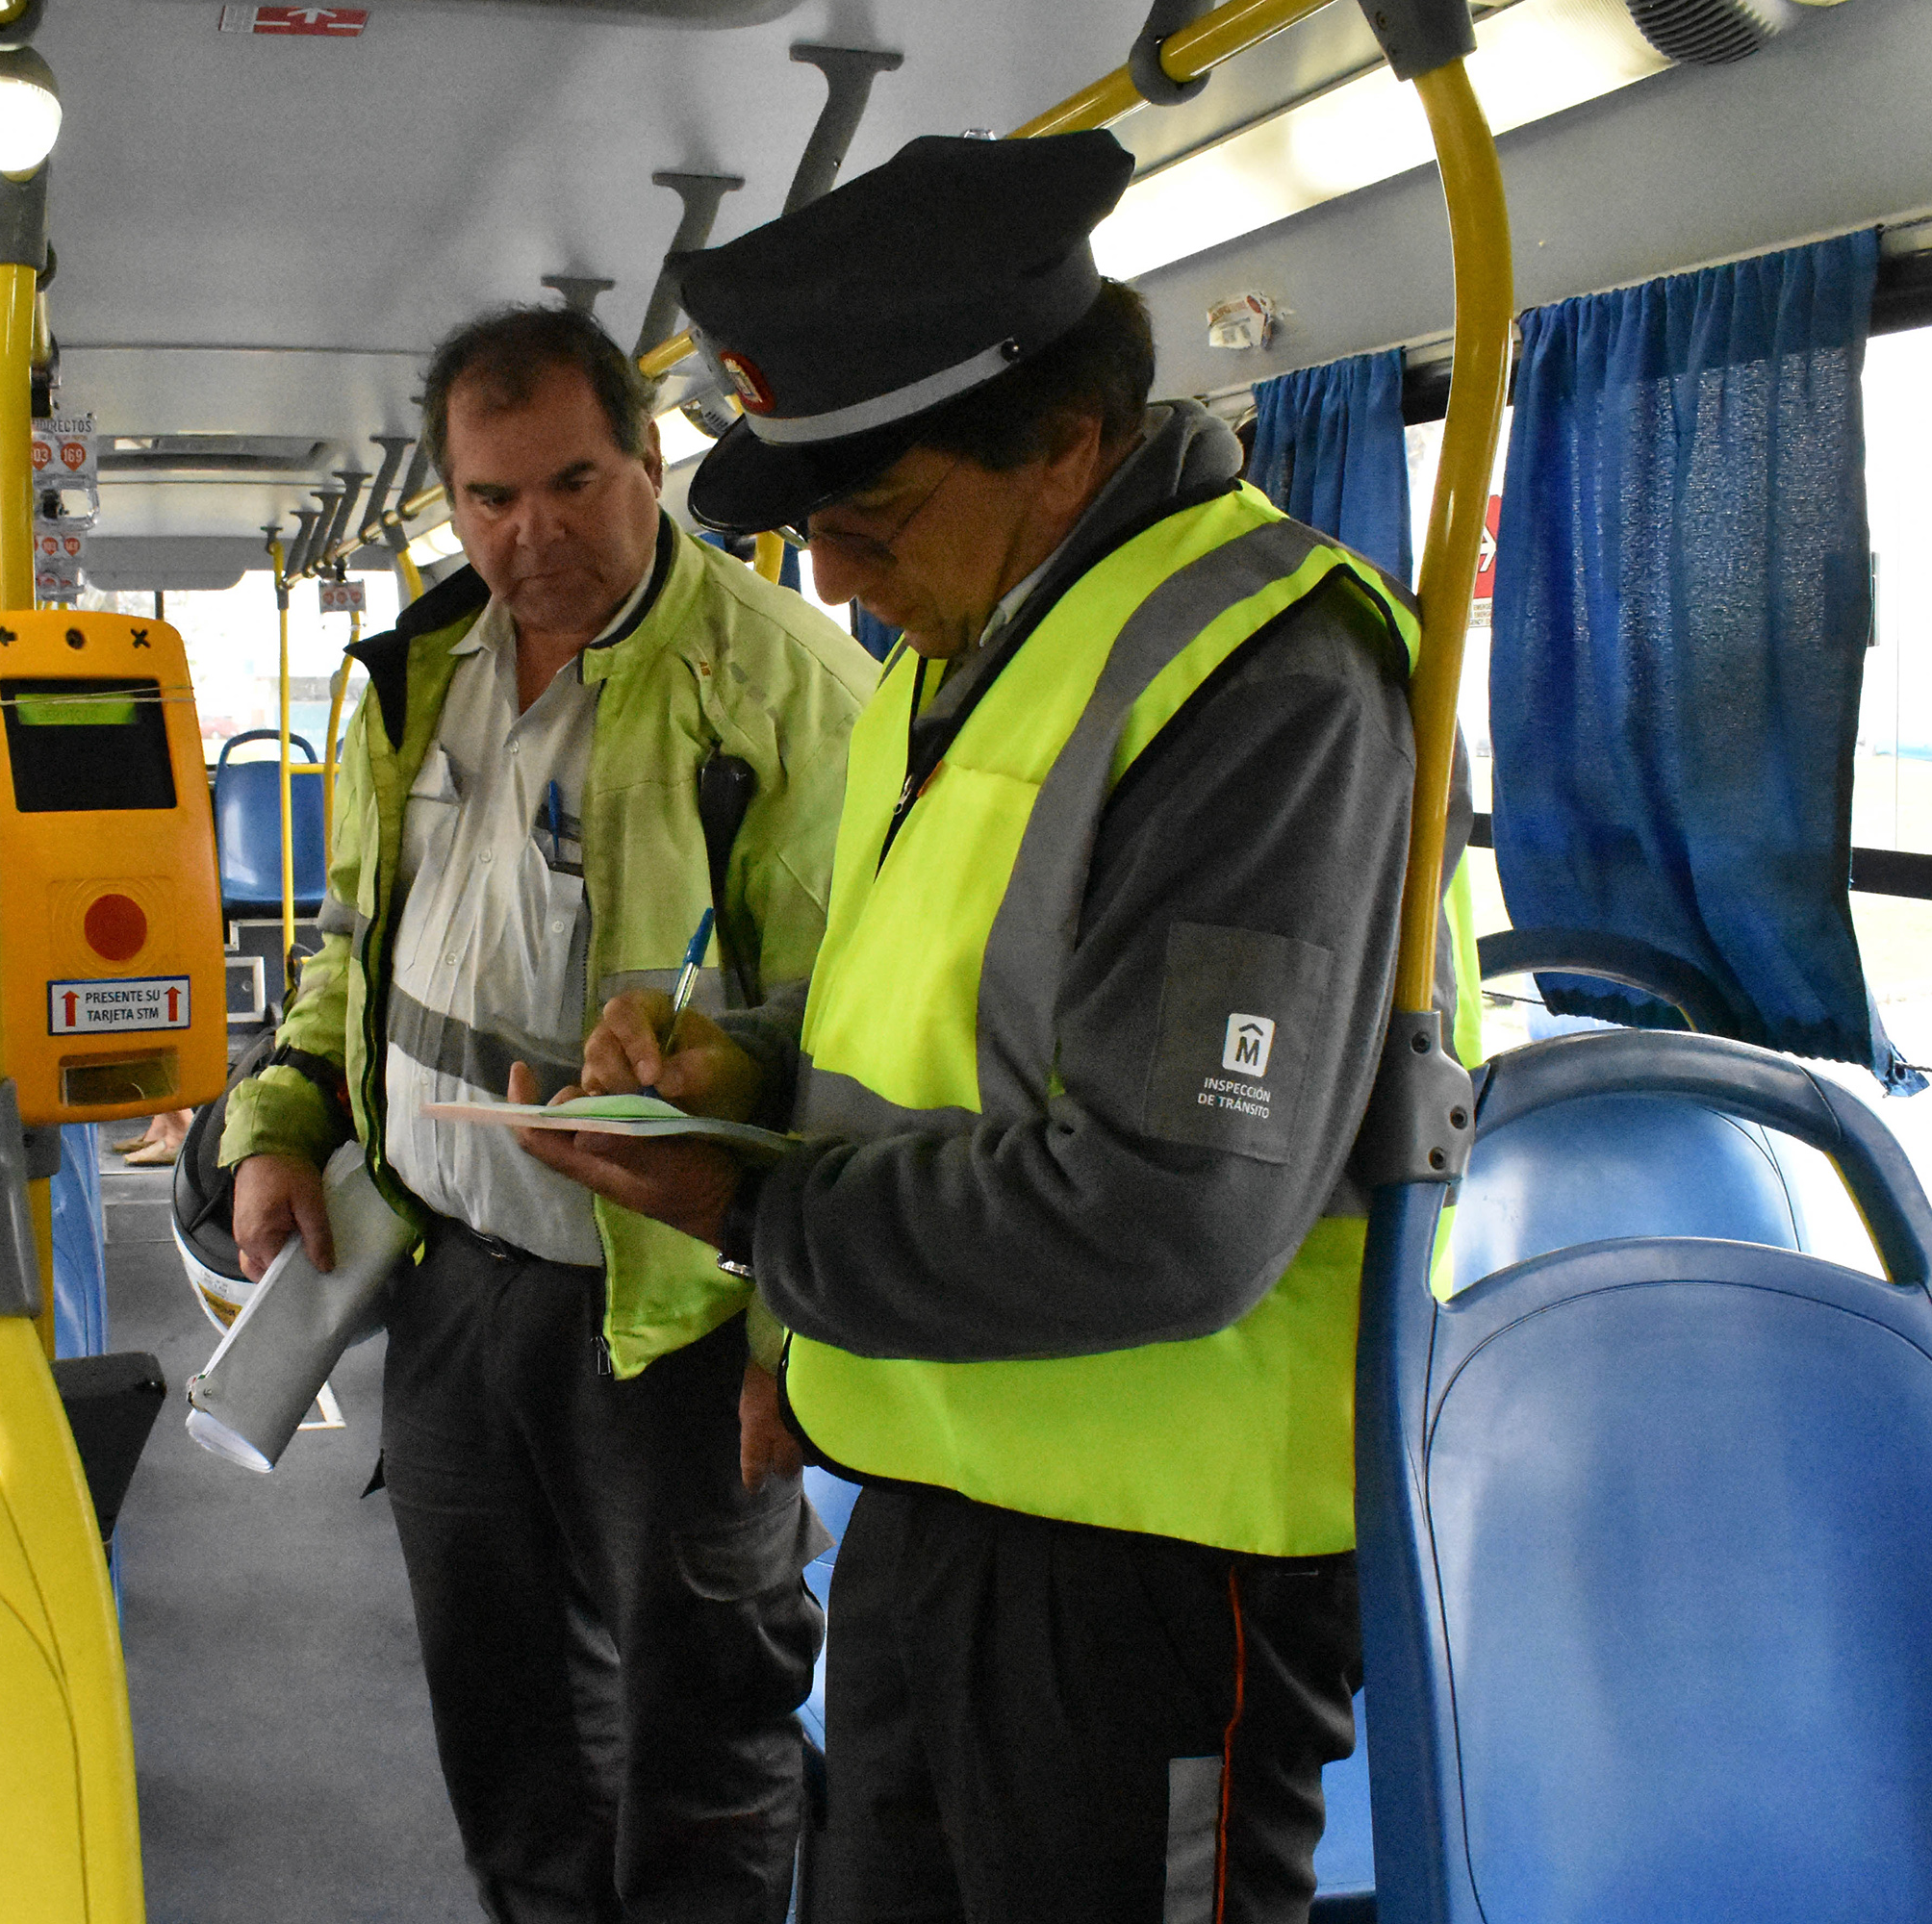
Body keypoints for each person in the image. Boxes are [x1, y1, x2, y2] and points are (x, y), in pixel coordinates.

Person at [517, 132, 1466, 1924]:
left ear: (1064, 452)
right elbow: (964, 1023)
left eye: (871, 525)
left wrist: (755, 1217)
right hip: (935, 1492)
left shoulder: (1267, 694)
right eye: (820, 537)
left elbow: (1170, 1203)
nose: (848, 582)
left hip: (1159, 1580)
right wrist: (754, 1070)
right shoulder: (963, 659)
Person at [218, 304, 877, 1922]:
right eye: (491, 499)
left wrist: (800, 1350)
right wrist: (286, 1117)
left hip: (677, 1313)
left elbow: (866, 1055)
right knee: (502, 1714)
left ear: (653, 462)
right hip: (449, 1279)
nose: (534, 534)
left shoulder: (786, 689)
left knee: (703, 1720)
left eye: (575, 483)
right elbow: (356, 957)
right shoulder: (415, 675)